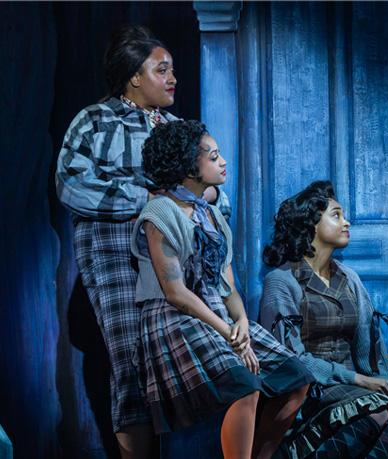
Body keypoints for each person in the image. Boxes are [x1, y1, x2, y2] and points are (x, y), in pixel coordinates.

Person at [55, 25, 229, 458]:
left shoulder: (179, 129)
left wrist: (191, 199)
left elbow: (216, 193)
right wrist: (147, 198)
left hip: (173, 250)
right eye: (161, 70)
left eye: (173, 70)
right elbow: (72, 184)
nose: (173, 78)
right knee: (132, 359)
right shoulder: (95, 121)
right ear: (135, 76)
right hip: (113, 248)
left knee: (180, 352)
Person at [132, 120, 313, 459]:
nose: (223, 162)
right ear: (189, 165)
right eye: (213, 157)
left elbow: (226, 285)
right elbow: (175, 292)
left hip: (218, 314)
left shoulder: (212, 216)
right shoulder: (161, 212)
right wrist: (230, 333)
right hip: (176, 317)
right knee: (244, 386)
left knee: (296, 377)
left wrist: (241, 321)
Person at [259, 181, 388, 459]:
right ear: (311, 224)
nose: (346, 222)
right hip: (311, 391)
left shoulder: (349, 278)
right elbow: (290, 362)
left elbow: (369, 346)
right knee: (376, 411)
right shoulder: (282, 280)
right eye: (336, 215)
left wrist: (381, 382)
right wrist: (359, 380)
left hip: (356, 387)